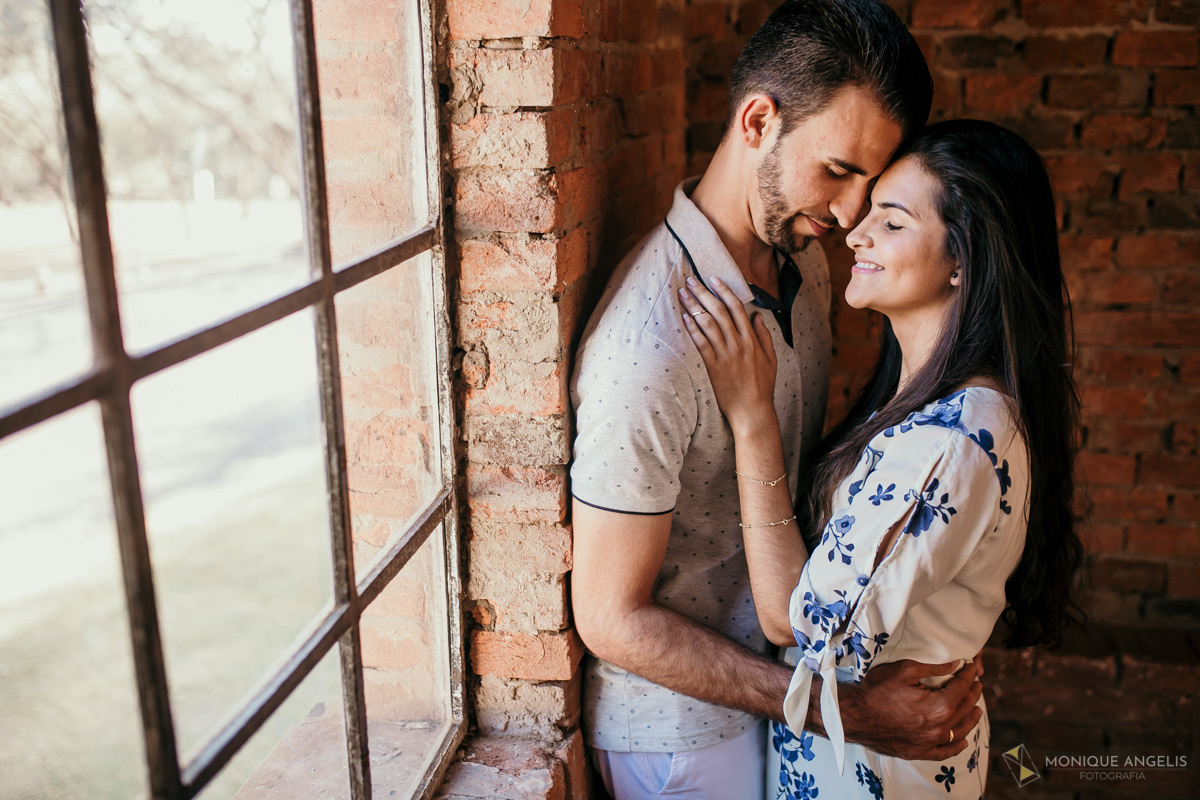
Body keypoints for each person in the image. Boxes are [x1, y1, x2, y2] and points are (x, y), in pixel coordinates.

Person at [570, 2, 987, 798]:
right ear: (757, 120)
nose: (848, 214)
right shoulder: (650, 344)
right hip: (684, 740)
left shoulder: (809, 264)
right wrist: (850, 710)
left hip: (779, 693)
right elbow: (610, 618)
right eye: (837, 171)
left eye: (870, 182)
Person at [678, 118, 1086, 798]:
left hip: (875, 774)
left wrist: (752, 422)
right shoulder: (929, 400)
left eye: (892, 224)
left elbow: (795, 619)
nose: (857, 234)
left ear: (964, 259)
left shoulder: (950, 441)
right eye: (868, 215)